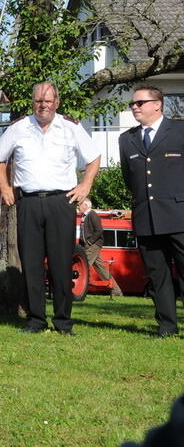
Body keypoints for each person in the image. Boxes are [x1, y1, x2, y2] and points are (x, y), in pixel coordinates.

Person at [0, 81, 100, 336]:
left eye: (48, 101)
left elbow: (94, 157)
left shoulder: (71, 128)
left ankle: (63, 321)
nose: (43, 105)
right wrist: (5, 188)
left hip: (61, 203)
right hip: (28, 202)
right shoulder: (19, 128)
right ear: (33, 103)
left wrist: (85, 185)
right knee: (31, 264)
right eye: (39, 101)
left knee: (61, 263)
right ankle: (36, 320)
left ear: (57, 103)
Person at [118, 85, 184, 338]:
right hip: (147, 217)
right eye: (132, 104)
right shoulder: (127, 138)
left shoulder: (179, 130)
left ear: (157, 104)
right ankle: (166, 326)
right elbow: (129, 177)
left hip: (179, 216)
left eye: (140, 103)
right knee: (158, 276)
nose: (135, 107)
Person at [78, 198, 122, 297]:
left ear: (85, 205)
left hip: (93, 245)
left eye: (79, 205)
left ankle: (80, 290)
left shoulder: (92, 214)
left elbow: (99, 230)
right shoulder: (84, 216)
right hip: (88, 245)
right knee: (101, 268)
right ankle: (116, 291)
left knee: (83, 265)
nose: (78, 207)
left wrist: (90, 242)